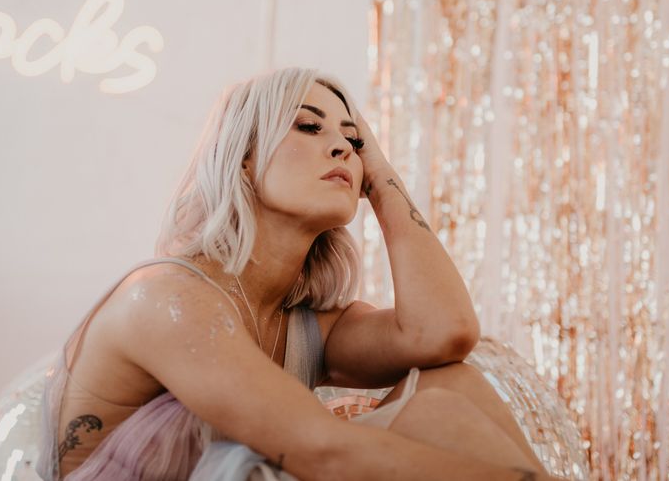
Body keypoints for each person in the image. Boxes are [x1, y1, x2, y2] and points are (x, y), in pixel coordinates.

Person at [36, 67, 563, 481]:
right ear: (243, 158)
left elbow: (444, 334)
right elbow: (325, 454)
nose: (342, 148)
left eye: (354, 142)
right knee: (434, 418)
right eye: (309, 126)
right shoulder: (164, 297)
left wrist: (382, 177)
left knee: (451, 386)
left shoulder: (311, 327)